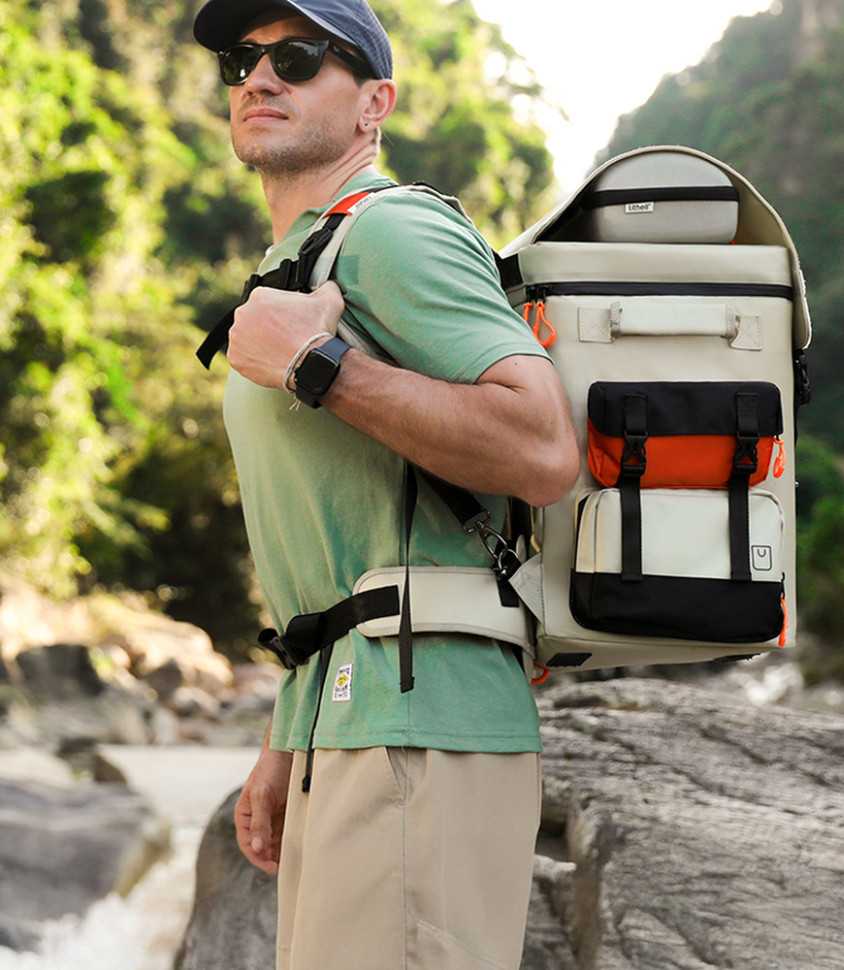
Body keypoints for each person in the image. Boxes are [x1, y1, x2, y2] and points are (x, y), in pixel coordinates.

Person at [191, 0, 579, 967]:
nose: (260, 76)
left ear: (376, 103)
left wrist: (316, 364)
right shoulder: (305, 255)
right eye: (243, 59)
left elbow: (541, 446)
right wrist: (287, 737)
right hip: (355, 712)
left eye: (299, 56)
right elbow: (347, 539)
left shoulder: (394, 230)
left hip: (420, 721)